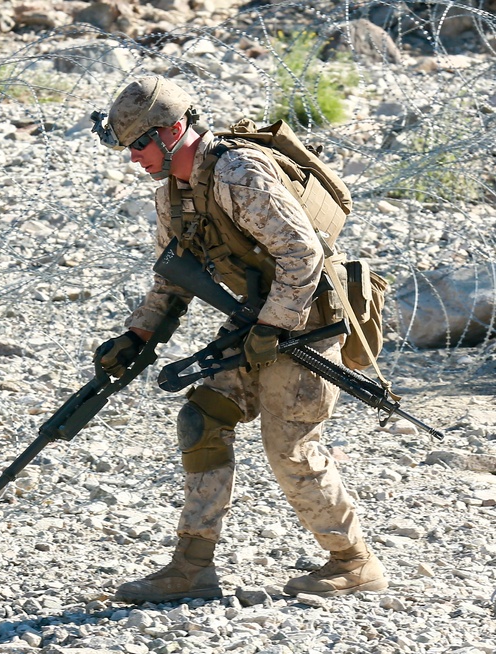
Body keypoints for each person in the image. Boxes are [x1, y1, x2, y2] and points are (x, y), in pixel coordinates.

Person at [90, 77, 387, 602]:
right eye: (128, 147)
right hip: (256, 325)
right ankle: (191, 567)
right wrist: (138, 335)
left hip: (307, 325)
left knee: (290, 447)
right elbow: (171, 277)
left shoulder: (239, 173)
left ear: (174, 130)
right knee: (202, 419)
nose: (135, 158)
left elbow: (302, 258)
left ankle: (354, 562)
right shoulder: (173, 195)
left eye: (140, 144)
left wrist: (274, 327)